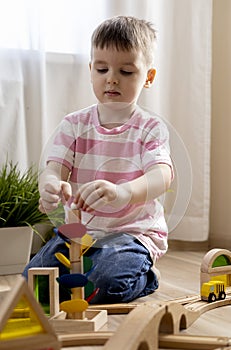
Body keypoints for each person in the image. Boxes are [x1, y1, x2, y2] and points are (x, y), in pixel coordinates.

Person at [23, 15, 173, 304]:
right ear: (91, 70)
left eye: (126, 71)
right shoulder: (74, 124)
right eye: (102, 68)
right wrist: (51, 186)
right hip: (79, 233)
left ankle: (146, 276)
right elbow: (53, 170)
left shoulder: (150, 128)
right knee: (34, 282)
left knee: (103, 284)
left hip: (131, 234)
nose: (112, 78)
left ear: (148, 78)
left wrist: (123, 192)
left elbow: (161, 176)